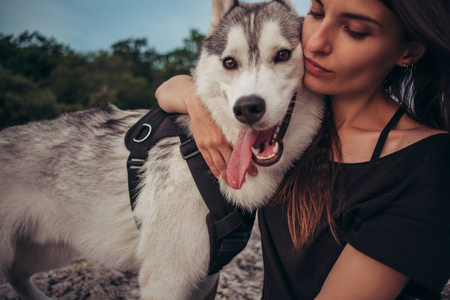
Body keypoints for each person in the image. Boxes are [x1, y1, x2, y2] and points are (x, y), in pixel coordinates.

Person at [156, 0, 450, 298]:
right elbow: (167, 91)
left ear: (408, 50)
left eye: (355, 30)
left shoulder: (429, 165)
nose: (315, 41)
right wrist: (198, 107)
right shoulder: (294, 122)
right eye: (317, 12)